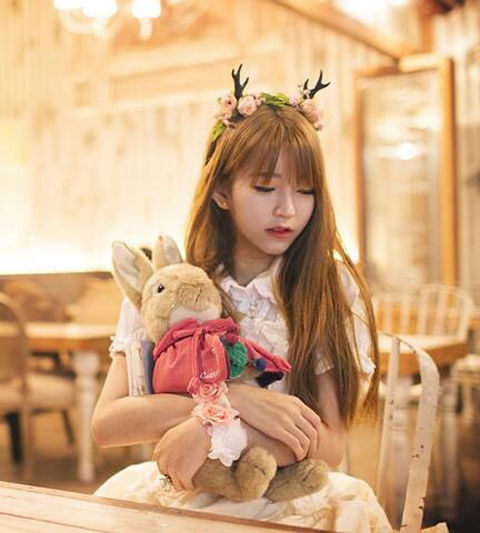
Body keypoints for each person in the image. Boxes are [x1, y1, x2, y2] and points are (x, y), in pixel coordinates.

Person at [91, 67, 391, 532]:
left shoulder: (329, 286)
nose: (287, 210)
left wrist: (213, 430)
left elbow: (330, 445)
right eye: (265, 187)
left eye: (306, 191)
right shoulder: (173, 285)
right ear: (221, 191)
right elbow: (108, 424)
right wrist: (234, 399)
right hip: (183, 491)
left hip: (288, 498)